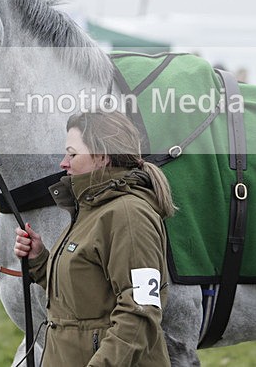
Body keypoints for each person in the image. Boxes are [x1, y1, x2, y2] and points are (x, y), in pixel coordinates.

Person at [14, 111, 175, 366]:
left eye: (73, 153)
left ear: (101, 156)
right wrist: (40, 260)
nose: (63, 163)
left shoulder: (129, 215)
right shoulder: (89, 209)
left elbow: (141, 309)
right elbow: (83, 294)